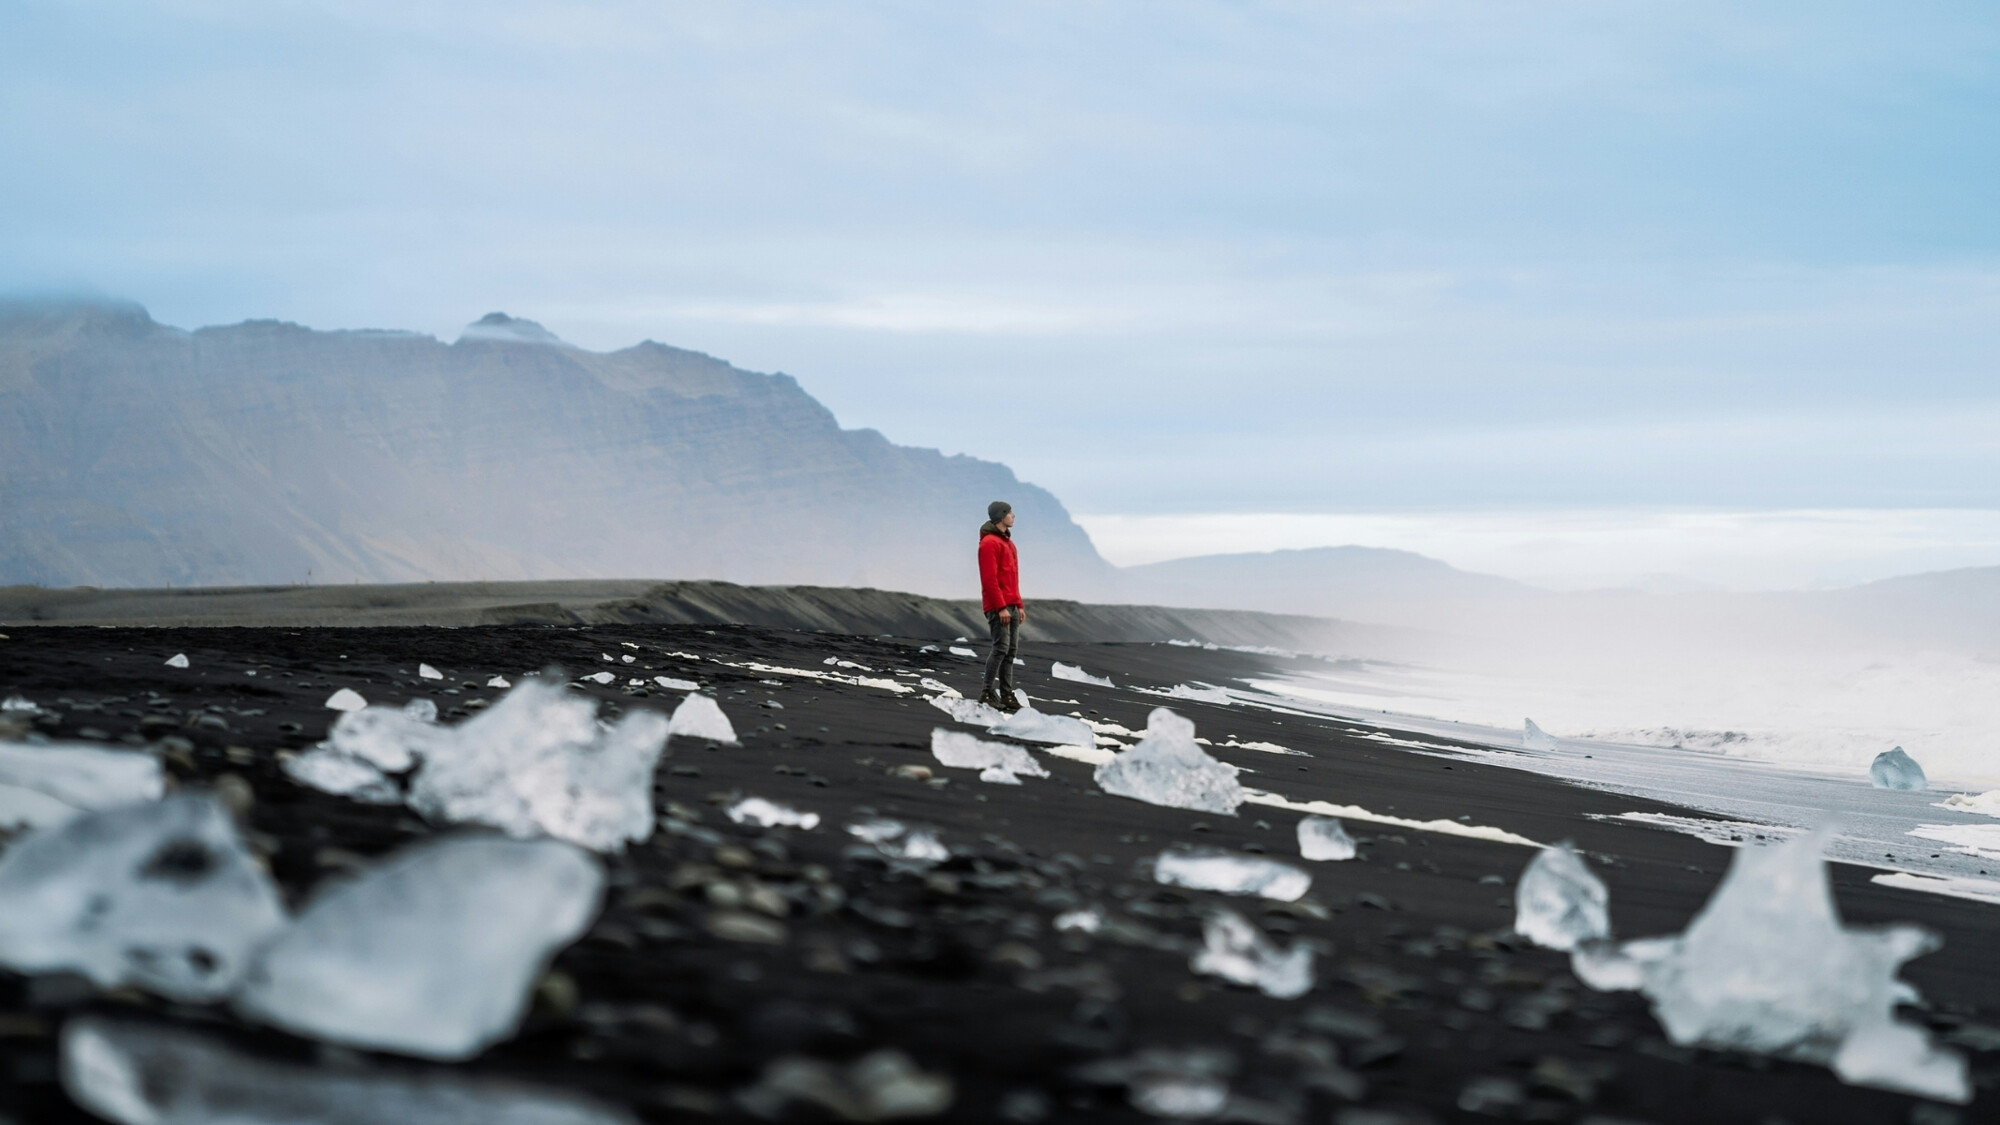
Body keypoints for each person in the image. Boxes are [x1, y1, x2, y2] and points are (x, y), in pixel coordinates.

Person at [978, 500, 1024, 711]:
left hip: (1011, 606)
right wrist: (1000, 607)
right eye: (1009, 512)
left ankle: (1006, 694)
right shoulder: (989, 543)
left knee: (1010, 651)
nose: (1013, 515)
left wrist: (1019, 605)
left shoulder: (1009, 544)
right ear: (1000, 516)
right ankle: (987, 692)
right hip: (999, 607)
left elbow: (1013, 579)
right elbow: (989, 580)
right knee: (1000, 649)